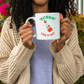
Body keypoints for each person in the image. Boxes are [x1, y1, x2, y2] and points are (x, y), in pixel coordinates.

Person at [0, 0, 84, 84]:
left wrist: (61, 46)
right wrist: (24, 47)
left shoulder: (67, 26)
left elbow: (72, 77)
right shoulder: (11, 25)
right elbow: (5, 75)